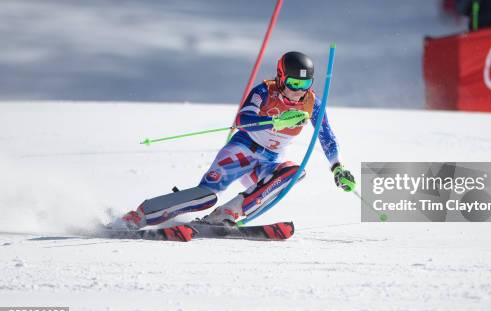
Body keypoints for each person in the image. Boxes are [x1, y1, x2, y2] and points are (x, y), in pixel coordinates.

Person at [115, 51, 356, 230]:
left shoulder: (311, 103)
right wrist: (277, 121)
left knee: (295, 172)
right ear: (282, 77)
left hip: (268, 163)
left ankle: (226, 214)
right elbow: (243, 119)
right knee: (206, 196)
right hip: (241, 152)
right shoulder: (265, 91)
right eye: (294, 84)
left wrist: (338, 168)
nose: (298, 91)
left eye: (305, 84)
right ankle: (141, 215)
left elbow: (326, 137)